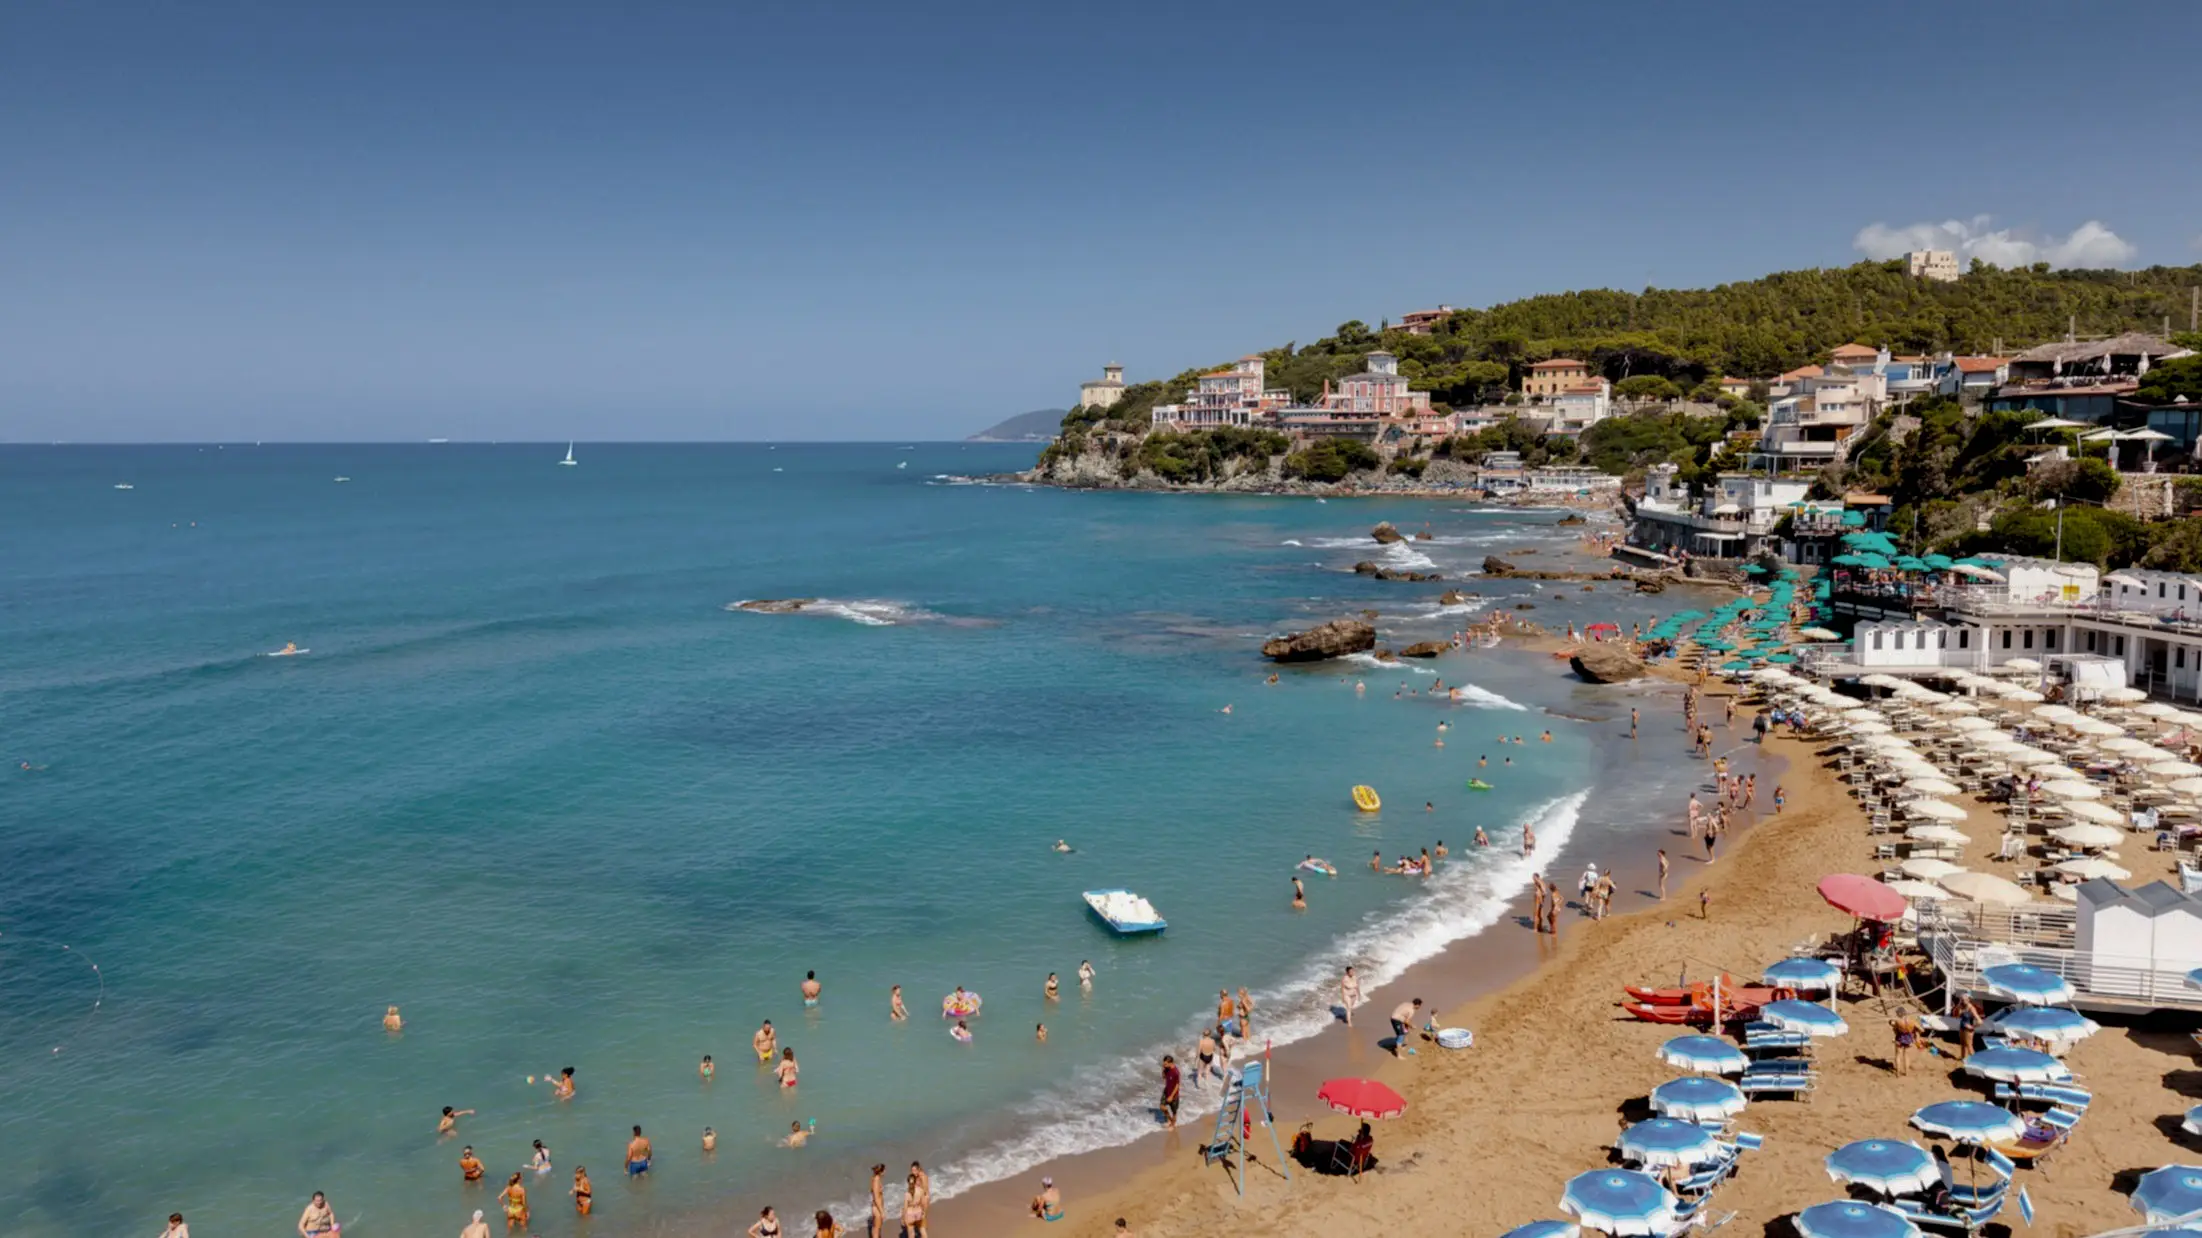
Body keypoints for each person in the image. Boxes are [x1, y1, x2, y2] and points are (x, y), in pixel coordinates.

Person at [1891, 1010, 1921, 1076]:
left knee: (1898, 1055)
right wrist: (1914, 1031)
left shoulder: (1898, 1022)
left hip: (1899, 1038)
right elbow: (1921, 1029)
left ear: (1898, 1014)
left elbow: (1894, 1029)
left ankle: (1898, 1073)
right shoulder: (1912, 1021)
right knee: (1906, 1056)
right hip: (1908, 1039)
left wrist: (1893, 1025)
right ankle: (1906, 1072)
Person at [905, 1162, 932, 1238]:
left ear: (918, 1169)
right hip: (918, 1203)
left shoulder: (923, 1177)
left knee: (922, 1224)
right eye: (911, 1170)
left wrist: (923, 1207)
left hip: (923, 1202)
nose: (912, 1172)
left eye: (914, 1170)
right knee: (920, 1224)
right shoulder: (916, 1176)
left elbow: (925, 1193)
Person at [1159, 1055, 1181, 1129]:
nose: (1164, 1065)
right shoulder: (1166, 1069)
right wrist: (1163, 1070)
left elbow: (1177, 1085)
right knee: (1162, 1106)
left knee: (1174, 1112)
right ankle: (1170, 1119)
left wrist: (1171, 1096)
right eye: (1164, 1064)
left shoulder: (1176, 1072)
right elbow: (1164, 1077)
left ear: (1170, 1063)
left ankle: (1173, 1123)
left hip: (1174, 1094)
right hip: (1166, 1091)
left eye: (1165, 1064)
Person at [869, 1163, 888, 1238]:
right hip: (877, 1208)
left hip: (876, 1207)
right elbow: (876, 1198)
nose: (885, 1171)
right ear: (881, 1171)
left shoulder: (876, 1178)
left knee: (875, 1228)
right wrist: (882, 1212)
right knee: (877, 1229)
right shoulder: (876, 1180)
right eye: (884, 1170)